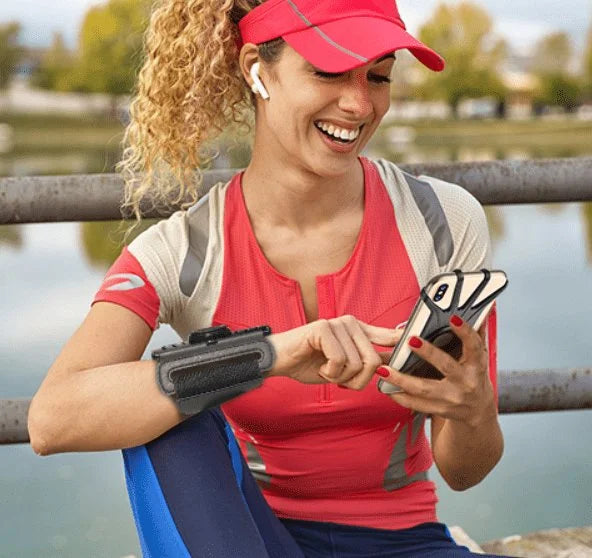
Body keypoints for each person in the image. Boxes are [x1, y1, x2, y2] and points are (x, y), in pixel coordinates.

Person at [28, 0, 508, 556]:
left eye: (379, 76)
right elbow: (52, 419)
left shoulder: (445, 223)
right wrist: (269, 355)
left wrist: (473, 411)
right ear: (258, 68)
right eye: (329, 70)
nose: (358, 103)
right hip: (243, 537)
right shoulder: (182, 250)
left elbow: (465, 471)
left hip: (403, 541)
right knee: (171, 421)